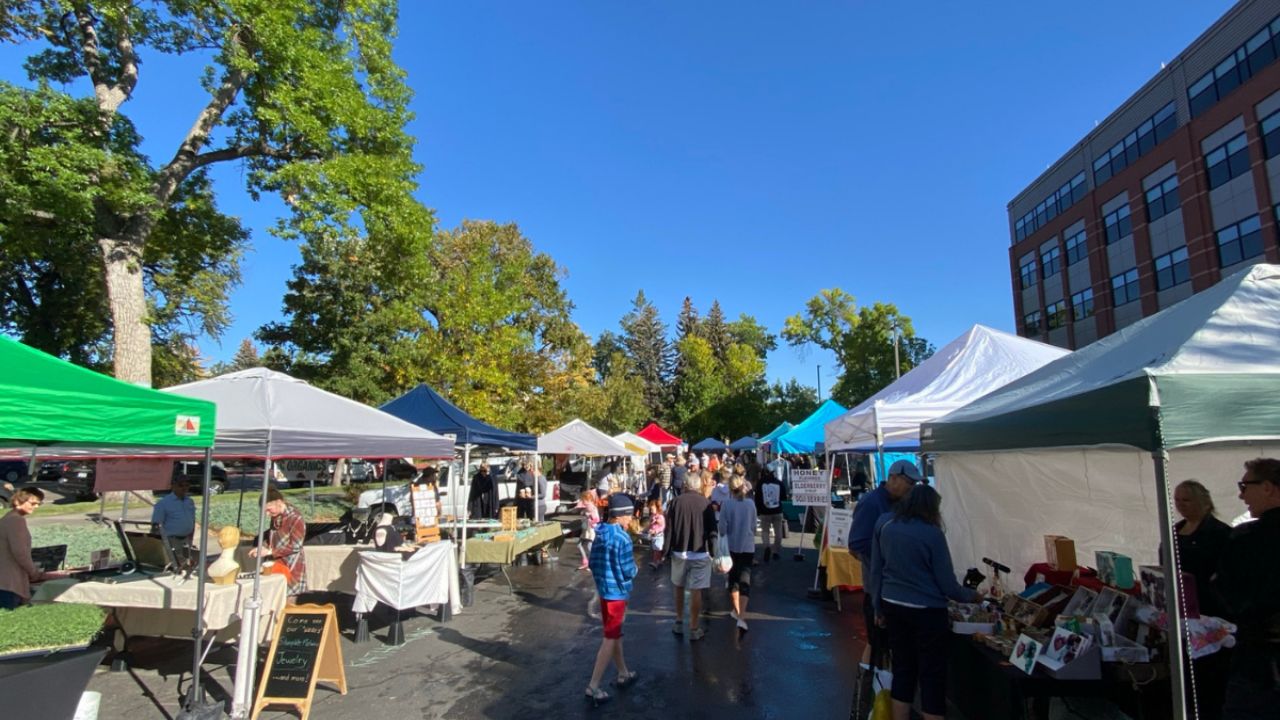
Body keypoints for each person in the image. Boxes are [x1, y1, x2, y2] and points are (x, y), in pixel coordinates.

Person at [868, 484, 977, 720]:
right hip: (927, 611)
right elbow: (947, 584)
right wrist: (971, 595)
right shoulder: (932, 533)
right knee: (932, 673)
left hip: (892, 603)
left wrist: (878, 605)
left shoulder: (886, 526)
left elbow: (876, 569)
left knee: (903, 668)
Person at [849, 459, 921, 715]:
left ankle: (881, 702)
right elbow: (855, 545)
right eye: (909, 483)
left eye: (914, 485)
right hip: (877, 589)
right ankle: (866, 703)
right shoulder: (871, 503)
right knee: (877, 645)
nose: (912, 488)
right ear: (894, 478)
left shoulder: (900, 503)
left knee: (883, 648)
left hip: (893, 589)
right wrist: (884, 559)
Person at [1159, 479, 1231, 719]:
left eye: (1186, 500)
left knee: (1209, 675)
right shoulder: (1174, 531)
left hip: (1210, 611)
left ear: (1203, 502)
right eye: (1177, 500)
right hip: (1181, 613)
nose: (1180, 505)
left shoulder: (1220, 533)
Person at [1215, 458, 1280, 718]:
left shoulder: (1246, 539)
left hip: (1259, 662)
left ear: (1267, 487)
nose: (1242, 496)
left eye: (1244, 486)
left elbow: (1223, 591)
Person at [585, 494, 639, 706]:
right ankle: (593, 685)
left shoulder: (600, 533)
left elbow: (592, 563)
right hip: (617, 594)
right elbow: (628, 570)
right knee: (610, 637)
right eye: (629, 515)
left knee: (614, 633)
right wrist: (635, 569)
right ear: (621, 516)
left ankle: (623, 672)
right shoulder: (623, 539)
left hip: (604, 590)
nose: (631, 519)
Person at [664, 470, 717, 641]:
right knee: (696, 590)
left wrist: (665, 551)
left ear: (685, 485)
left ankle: (679, 621)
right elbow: (712, 530)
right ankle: (694, 627)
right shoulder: (705, 503)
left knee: (678, 586)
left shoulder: (675, 502)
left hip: (679, 550)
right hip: (700, 552)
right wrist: (714, 552)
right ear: (699, 485)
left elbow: (669, 529)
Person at [250, 487, 307, 600]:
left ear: (279, 503)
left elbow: (295, 546)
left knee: (288, 603)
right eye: (265, 511)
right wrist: (262, 548)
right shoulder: (276, 517)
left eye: (269, 510)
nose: (267, 514)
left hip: (291, 566)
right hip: (276, 565)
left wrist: (270, 552)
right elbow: (273, 539)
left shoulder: (296, 518)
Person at [719, 471, 758, 632]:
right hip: (748, 546)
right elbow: (754, 526)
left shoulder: (727, 504)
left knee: (733, 579)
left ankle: (737, 611)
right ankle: (741, 614)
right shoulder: (750, 504)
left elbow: (722, 528)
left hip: (731, 546)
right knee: (745, 578)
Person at [0, 488, 45, 610]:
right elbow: (20, 553)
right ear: (18, 502)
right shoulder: (16, 520)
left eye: (38, 504)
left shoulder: (8, 518)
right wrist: (34, 572)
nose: (35, 507)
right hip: (9, 583)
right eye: (32, 503)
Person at [151, 476, 197, 567]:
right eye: (181, 485)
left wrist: (191, 537)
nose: (184, 488)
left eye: (187, 485)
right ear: (173, 486)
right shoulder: (163, 503)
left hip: (186, 539)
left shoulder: (190, 501)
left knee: (187, 565)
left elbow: (192, 519)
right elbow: (156, 526)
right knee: (175, 566)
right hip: (171, 540)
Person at [755, 466, 787, 562]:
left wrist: (758, 510)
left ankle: (767, 546)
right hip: (777, 510)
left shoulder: (760, 483)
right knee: (778, 532)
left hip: (764, 511)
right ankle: (776, 551)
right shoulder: (779, 483)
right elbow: (784, 497)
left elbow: (757, 498)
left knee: (765, 531)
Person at [575, 490, 600, 571]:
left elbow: (597, 519)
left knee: (589, 546)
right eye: (583, 499)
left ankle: (592, 562)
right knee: (579, 544)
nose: (583, 501)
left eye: (584, 500)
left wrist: (589, 518)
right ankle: (586, 561)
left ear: (589, 499)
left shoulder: (591, 506)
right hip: (587, 529)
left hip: (590, 530)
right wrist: (584, 513)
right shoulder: (588, 506)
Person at [646, 498, 665, 570]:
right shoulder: (652, 516)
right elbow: (650, 525)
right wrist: (647, 529)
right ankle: (659, 561)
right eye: (650, 509)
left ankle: (655, 562)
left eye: (652, 509)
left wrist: (655, 531)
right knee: (656, 549)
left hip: (659, 536)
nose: (651, 510)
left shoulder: (660, 517)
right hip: (653, 536)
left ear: (657, 508)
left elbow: (662, 527)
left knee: (656, 550)